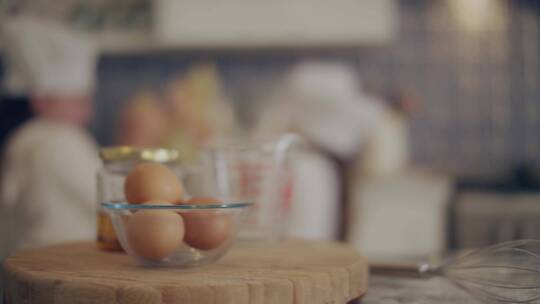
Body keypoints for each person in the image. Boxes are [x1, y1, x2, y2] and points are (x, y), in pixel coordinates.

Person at [0, 16, 99, 258]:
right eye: (77, 100)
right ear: (41, 100)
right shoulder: (60, 140)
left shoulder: (21, 139)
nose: (88, 110)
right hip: (64, 259)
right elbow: (107, 197)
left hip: (26, 259)